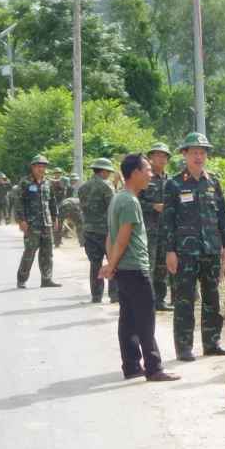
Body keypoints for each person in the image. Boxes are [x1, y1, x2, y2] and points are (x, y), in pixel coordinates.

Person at [99, 152, 179, 382]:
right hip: (134, 268)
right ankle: (154, 368)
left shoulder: (119, 197)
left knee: (129, 318)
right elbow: (122, 238)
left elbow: (110, 236)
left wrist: (111, 264)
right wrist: (111, 264)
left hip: (124, 268)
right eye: (147, 171)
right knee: (145, 318)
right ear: (135, 173)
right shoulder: (129, 201)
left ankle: (132, 366)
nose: (151, 175)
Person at [159, 131, 225, 362]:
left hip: (210, 249)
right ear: (184, 154)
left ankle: (212, 343)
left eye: (202, 153)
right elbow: (167, 220)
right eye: (194, 153)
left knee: (212, 298)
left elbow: (223, 215)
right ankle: (184, 347)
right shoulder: (173, 184)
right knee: (184, 300)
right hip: (185, 252)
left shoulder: (213, 182)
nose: (199, 157)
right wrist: (170, 251)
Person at [77, 158, 122, 305]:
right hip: (105, 231)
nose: (108, 175)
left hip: (89, 230)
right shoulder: (106, 185)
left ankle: (96, 296)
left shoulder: (83, 186)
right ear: (103, 171)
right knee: (112, 262)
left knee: (94, 264)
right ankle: (114, 295)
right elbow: (113, 206)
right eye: (108, 172)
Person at [11, 156, 59, 288]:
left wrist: (55, 218)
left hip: (46, 222)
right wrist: (21, 220)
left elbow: (52, 202)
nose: (42, 169)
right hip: (32, 224)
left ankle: (46, 279)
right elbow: (19, 202)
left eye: (44, 166)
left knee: (47, 252)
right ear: (33, 167)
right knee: (30, 251)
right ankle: (22, 279)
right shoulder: (25, 183)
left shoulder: (48, 183)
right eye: (39, 166)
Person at [141, 144, 173, 309]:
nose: (161, 159)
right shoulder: (144, 177)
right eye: (158, 155)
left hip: (166, 230)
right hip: (148, 230)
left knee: (162, 267)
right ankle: (146, 301)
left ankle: (159, 301)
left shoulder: (171, 180)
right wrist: (153, 206)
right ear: (151, 157)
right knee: (148, 266)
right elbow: (135, 200)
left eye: (164, 156)